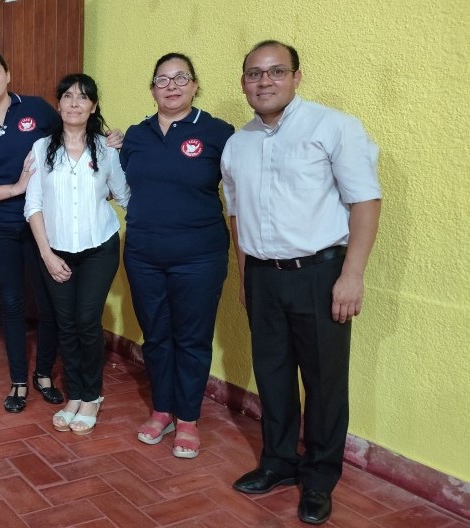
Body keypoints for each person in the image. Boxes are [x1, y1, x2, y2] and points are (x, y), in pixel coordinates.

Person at [221, 40, 381, 525]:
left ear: (296, 76)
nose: (263, 82)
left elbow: (366, 202)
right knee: (272, 377)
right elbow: (236, 214)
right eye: (253, 74)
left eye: (275, 72)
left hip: (320, 274)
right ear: (243, 81)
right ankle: (278, 462)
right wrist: (246, 275)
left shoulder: (333, 127)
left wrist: (351, 274)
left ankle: (319, 477)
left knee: (325, 382)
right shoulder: (237, 143)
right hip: (264, 277)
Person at [0, 49, 121, 413]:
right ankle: (18, 379)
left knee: (49, 304)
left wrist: (111, 140)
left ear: (8, 73)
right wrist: (15, 188)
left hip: (45, 225)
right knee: (12, 302)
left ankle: (44, 373)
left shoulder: (35, 109)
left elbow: (77, 127)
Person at [120, 53, 233, 457]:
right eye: (162, 80)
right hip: (143, 255)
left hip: (200, 257)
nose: (171, 86)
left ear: (195, 85)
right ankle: (162, 410)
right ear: (152, 89)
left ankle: (188, 418)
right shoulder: (135, 135)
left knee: (192, 338)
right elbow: (117, 183)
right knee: (156, 337)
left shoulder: (219, 132)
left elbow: (238, 194)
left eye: (180, 78)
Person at [25, 74, 129, 435]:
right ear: (59, 104)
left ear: (93, 106)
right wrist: (47, 256)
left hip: (99, 248)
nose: (74, 103)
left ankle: (92, 396)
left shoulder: (106, 149)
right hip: (56, 251)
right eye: (67, 96)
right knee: (65, 324)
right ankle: (75, 395)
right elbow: (33, 205)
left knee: (86, 321)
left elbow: (124, 195)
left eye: (82, 98)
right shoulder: (41, 149)